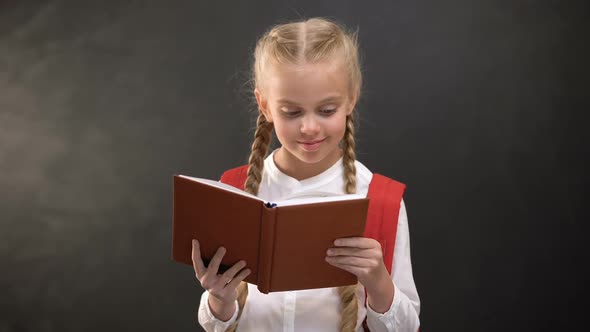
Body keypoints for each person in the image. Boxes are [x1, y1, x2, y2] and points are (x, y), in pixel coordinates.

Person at [191, 17, 420, 332]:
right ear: (265, 106)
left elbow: (407, 327)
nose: (310, 127)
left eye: (326, 111)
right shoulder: (233, 190)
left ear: (351, 99)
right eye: (292, 112)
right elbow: (216, 323)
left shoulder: (381, 201)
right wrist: (219, 296)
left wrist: (378, 283)